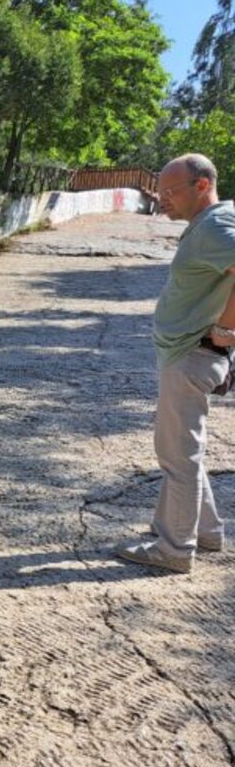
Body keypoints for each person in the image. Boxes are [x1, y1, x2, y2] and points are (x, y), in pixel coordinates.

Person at [116, 153, 235, 574]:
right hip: (196, 354)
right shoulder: (214, 222)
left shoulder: (215, 226)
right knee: (186, 449)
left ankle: (174, 548)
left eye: (171, 191)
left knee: (177, 456)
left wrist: (228, 329)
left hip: (193, 355)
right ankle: (207, 531)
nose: (162, 198)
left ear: (202, 186)